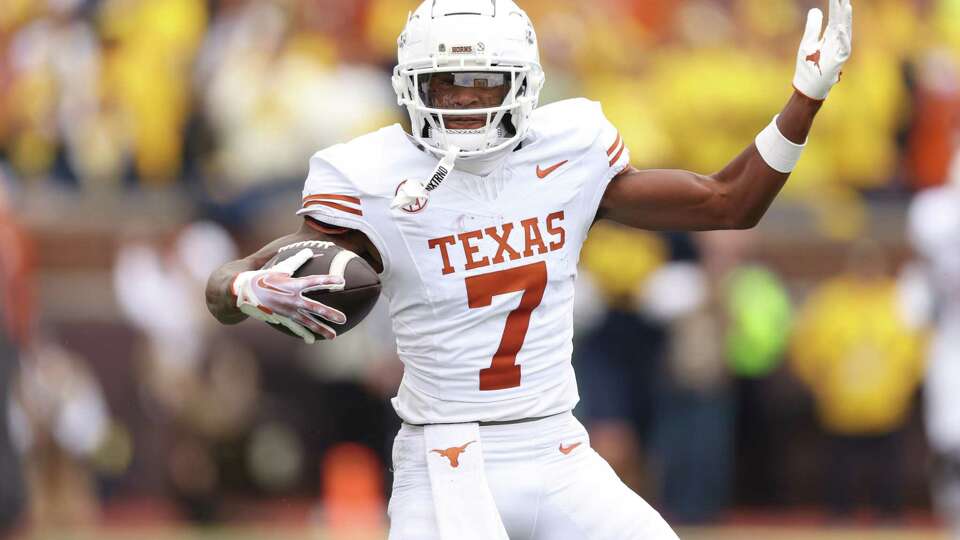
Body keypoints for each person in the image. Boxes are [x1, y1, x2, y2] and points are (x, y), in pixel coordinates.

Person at [205, 1, 853, 538]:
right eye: (445, 84)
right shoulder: (376, 177)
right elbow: (223, 287)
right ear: (411, 86)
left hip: (555, 451)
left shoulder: (566, 151)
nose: (464, 103)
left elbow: (728, 203)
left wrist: (803, 100)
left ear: (523, 82)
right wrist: (247, 287)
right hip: (443, 461)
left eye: (482, 82)